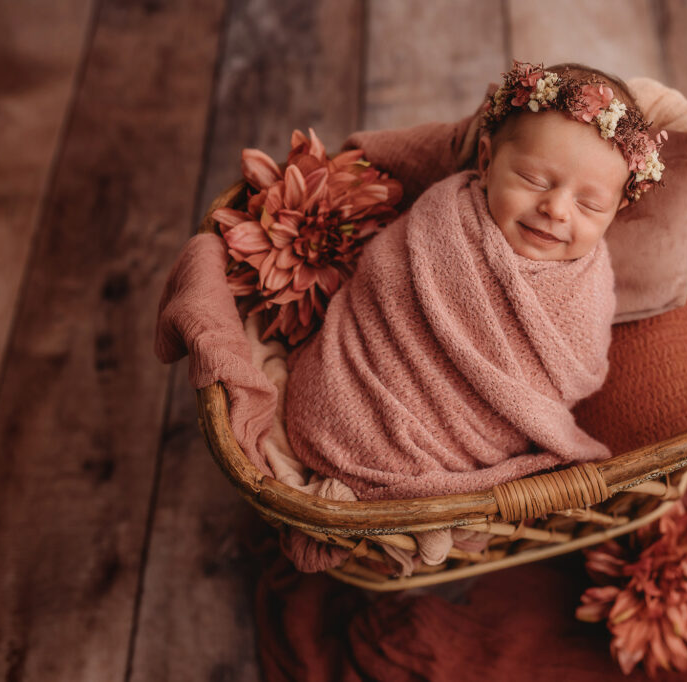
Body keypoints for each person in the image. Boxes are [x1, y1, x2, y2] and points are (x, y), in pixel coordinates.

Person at [281, 62, 665, 569]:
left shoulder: (588, 288)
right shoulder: (445, 218)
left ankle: (378, 506)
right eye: (533, 178)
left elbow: (574, 372)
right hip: (352, 386)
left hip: (455, 436)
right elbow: (383, 284)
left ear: (615, 214)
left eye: (590, 205)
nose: (556, 209)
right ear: (486, 161)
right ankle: (364, 499)